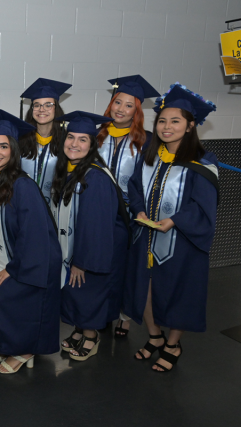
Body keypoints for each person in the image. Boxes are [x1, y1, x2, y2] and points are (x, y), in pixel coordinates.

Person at [124, 83, 218, 372]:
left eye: (175, 121)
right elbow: (134, 186)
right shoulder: (150, 155)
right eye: (162, 121)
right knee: (146, 289)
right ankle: (155, 336)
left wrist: (175, 220)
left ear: (190, 126)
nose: (167, 127)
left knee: (179, 293)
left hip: (182, 242)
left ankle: (173, 344)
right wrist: (138, 209)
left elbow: (203, 205)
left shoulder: (203, 162)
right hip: (147, 237)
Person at [0, 110, 61, 374]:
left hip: (32, 261)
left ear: (13, 150)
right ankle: (11, 344)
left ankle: (25, 350)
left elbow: (34, 237)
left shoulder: (23, 186)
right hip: (7, 257)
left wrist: (11, 269)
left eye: (3, 146)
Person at [51, 111, 129, 361]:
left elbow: (94, 226)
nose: (74, 143)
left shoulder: (94, 177)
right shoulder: (72, 169)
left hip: (94, 248)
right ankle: (78, 330)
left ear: (93, 144)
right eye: (70, 137)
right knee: (75, 292)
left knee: (86, 290)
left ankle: (91, 337)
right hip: (80, 245)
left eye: (83, 139)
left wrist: (81, 262)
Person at [96, 75, 160, 338]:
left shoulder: (146, 141)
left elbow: (148, 182)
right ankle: (101, 312)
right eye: (117, 102)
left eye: (128, 105)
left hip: (129, 215)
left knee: (125, 268)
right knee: (99, 265)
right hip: (98, 211)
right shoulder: (96, 133)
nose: (120, 109)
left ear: (137, 111)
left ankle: (123, 314)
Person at [19, 77, 71, 204]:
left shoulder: (67, 141)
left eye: (48, 105)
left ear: (56, 108)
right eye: (37, 105)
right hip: (23, 202)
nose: (42, 109)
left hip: (55, 205)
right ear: (32, 110)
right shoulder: (20, 139)